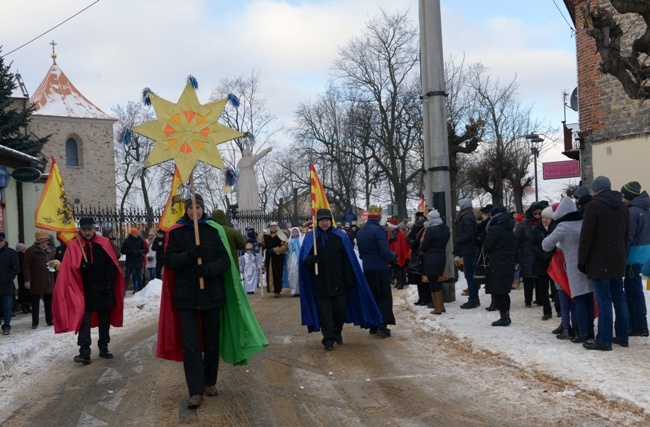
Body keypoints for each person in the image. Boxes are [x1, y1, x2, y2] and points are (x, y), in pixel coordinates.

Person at [158, 193, 267, 408]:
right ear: (186, 210)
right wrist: (190, 256)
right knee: (191, 345)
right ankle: (195, 391)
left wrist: (206, 269)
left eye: (198, 207)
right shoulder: (177, 233)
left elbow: (224, 261)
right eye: (191, 208)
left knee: (211, 342)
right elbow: (170, 261)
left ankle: (209, 382)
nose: (194, 211)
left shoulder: (214, 231)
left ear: (203, 209)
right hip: (186, 297)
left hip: (211, 295)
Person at [299, 208, 382, 350]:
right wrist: (310, 259)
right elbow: (303, 259)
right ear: (317, 222)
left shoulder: (340, 236)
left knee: (339, 310)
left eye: (326, 220)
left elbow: (349, 259)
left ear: (330, 221)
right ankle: (328, 339)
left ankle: (337, 332)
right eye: (321, 221)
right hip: (319, 283)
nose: (324, 223)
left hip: (339, 281)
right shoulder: (310, 237)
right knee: (325, 314)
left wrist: (349, 279)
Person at [52, 217, 125, 365]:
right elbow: (69, 268)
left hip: (103, 289)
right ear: (80, 230)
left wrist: (108, 284)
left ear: (94, 229)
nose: (87, 232)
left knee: (104, 320)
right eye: (84, 230)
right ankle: (84, 352)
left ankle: (103, 347)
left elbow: (112, 265)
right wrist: (81, 267)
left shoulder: (104, 243)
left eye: (89, 229)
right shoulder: (74, 245)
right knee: (83, 321)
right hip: (83, 291)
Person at [578, 176, 629, 350]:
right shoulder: (622, 205)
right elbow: (626, 234)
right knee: (619, 298)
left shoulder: (593, 206)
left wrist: (582, 260)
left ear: (595, 189)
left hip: (599, 261)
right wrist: (622, 253)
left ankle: (604, 340)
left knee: (604, 300)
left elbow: (586, 237)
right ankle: (623, 336)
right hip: (618, 259)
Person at [543, 197, 594, 342]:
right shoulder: (583, 222)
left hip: (573, 267)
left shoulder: (563, 226)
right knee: (589, 298)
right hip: (588, 265)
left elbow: (546, 245)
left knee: (579, 299)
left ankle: (582, 333)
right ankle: (590, 331)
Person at [356, 205, 397, 338]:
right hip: (380, 267)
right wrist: (393, 256)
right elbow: (384, 251)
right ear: (378, 217)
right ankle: (382, 326)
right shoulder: (379, 231)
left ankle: (373, 325)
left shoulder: (361, 232)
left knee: (372, 296)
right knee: (384, 297)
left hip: (367, 268)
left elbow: (361, 253)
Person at [620, 181, 650, 337]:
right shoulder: (645, 208)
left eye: (623, 196)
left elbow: (628, 237)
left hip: (632, 256)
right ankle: (639, 323)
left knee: (633, 291)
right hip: (644, 254)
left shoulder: (632, 212)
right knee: (636, 290)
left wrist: (621, 255)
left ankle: (638, 325)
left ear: (627, 196)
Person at [483, 205, 516, 327]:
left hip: (497, 261)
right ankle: (506, 315)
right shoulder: (509, 227)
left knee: (499, 290)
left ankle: (503, 318)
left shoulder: (495, 228)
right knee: (504, 290)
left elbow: (487, 246)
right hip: (508, 261)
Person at [514, 201, 549, 308]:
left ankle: (540, 300)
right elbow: (516, 240)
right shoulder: (523, 224)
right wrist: (515, 254)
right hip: (526, 255)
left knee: (540, 278)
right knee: (528, 279)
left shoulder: (545, 224)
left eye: (540, 214)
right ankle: (528, 300)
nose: (538, 216)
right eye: (535, 214)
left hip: (540, 255)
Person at [420, 209, 451, 315]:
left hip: (430, 259)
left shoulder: (431, 230)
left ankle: (437, 307)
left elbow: (424, 246)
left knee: (433, 283)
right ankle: (441, 305)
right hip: (441, 257)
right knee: (437, 282)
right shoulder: (445, 228)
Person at [24, 231, 56, 329]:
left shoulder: (50, 250)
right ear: (39, 242)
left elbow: (54, 262)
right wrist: (27, 280)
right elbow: (26, 266)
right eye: (45, 241)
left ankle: (49, 320)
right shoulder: (30, 251)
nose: (47, 243)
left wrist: (54, 266)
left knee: (48, 303)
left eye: (47, 241)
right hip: (36, 281)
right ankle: (35, 322)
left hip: (49, 281)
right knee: (35, 304)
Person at [454, 199, 479, 309]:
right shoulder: (468, 216)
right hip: (468, 249)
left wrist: (459, 240)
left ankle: (473, 298)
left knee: (469, 275)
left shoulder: (466, 217)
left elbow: (469, 234)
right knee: (469, 275)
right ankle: (473, 297)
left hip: (469, 250)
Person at [531, 206, 555, 321]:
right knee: (543, 289)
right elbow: (532, 244)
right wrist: (541, 254)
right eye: (543, 217)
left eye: (547, 217)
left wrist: (549, 254)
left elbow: (557, 244)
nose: (544, 219)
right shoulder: (537, 228)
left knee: (555, 288)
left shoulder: (555, 228)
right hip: (540, 262)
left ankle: (559, 309)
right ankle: (547, 311)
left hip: (553, 261)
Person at [407, 211, 429, 306]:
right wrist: (410, 241)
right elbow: (409, 237)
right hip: (415, 254)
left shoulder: (426, 227)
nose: (420, 218)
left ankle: (426, 298)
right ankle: (421, 298)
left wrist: (415, 242)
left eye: (421, 216)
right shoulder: (415, 226)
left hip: (422, 254)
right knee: (417, 277)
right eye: (418, 217)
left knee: (423, 278)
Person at [262, 221, 288, 298]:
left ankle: (277, 290)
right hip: (269, 257)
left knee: (277, 273)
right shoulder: (266, 237)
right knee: (270, 272)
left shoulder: (281, 237)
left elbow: (284, 247)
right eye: (271, 227)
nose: (273, 228)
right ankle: (271, 289)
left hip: (278, 257)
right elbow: (264, 245)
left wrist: (275, 250)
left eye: (274, 227)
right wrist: (261, 245)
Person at [0, 233, 19, 335]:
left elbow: (15, 268)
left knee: (7, 307)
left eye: (0, 241)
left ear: (4, 241)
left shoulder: (11, 252)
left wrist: (7, 278)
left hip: (6, 285)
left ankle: (6, 327)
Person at [120, 228, 147, 294]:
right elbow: (122, 250)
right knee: (127, 277)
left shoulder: (140, 240)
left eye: (137, 233)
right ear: (132, 234)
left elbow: (145, 249)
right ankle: (124, 291)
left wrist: (140, 252)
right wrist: (130, 251)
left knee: (139, 277)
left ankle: (140, 291)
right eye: (135, 233)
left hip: (138, 261)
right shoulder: (127, 241)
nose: (137, 234)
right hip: (130, 261)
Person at [387, 219, 409, 290]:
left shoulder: (400, 233)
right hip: (393, 252)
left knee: (398, 268)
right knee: (395, 268)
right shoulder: (391, 233)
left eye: (390, 226)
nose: (389, 227)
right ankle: (399, 282)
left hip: (398, 253)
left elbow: (402, 245)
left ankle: (401, 283)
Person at [284, 227, 302, 296]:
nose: (294, 233)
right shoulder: (289, 241)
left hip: (298, 258)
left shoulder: (300, 240)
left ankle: (299, 290)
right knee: (291, 273)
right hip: (291, 258)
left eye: (296, 232)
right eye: (293, 232)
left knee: (297, 273)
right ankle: (293, 290)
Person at [15, 242, 30, 314]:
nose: (26, 249)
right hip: (22, 277)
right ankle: (25, 307)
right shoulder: (20, 257)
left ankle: (27, 306)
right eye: (24, 248)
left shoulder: (24, 256)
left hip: (23, 276)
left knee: (26, 292)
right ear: (21, 249)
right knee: (23, 292)